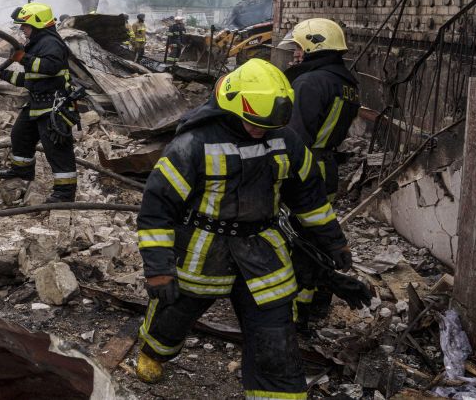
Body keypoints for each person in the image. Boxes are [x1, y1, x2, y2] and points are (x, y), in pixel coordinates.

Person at [134, 59, 351, 398]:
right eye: (252, 123)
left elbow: (310, 200)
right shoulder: (191, 146)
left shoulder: (287, 141)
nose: (259, 131)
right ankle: (154, 352)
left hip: (263, 250)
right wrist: (159, 269)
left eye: (267, 125)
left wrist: (333, 242)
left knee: (276, 333)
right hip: (202, 251)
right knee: (175, 313)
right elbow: (156, 210)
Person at [279, 18, 362, 328]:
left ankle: (296, 310)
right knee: (315, 235)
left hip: (302, 169)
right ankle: (318, 302)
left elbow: (293, 135)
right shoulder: (347, 83)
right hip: (326, 168)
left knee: (295, 239)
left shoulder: (310, 82)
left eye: (299, 48)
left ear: (315, 45)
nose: (294, 55)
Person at [0, 2, 79, 204]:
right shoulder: (37, 43)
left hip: (53, 106)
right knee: (20, 135)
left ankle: (64, 194)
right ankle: (22, 172)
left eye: (25, 26)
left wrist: (23, 58)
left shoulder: (50, 42)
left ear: (37, 24)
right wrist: (4, 74)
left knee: (56, 150)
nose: (22, 30)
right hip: (37, 102)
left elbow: (50, 67)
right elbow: (32, 80)